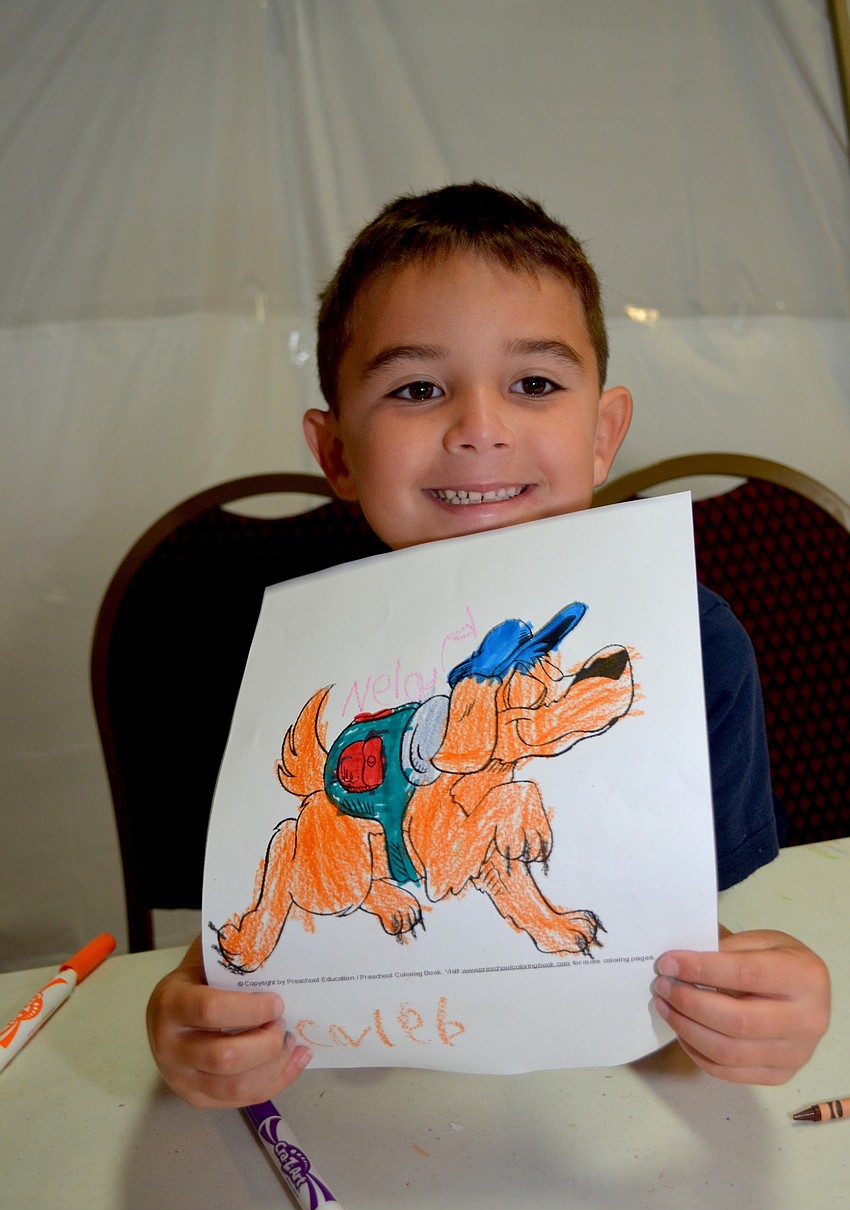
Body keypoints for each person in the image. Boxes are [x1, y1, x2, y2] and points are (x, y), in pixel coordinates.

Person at [146, 182, 829, 1108]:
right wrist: (194, 1017)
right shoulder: (272, 662)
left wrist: (769, 997)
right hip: (353, 1104)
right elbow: (240, 924)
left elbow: (687, 925)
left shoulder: (696, 647)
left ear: (603, 434)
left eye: (535, 384)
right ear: (337, 450)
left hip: (609, 1105)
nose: (480, 429)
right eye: (417, 388)